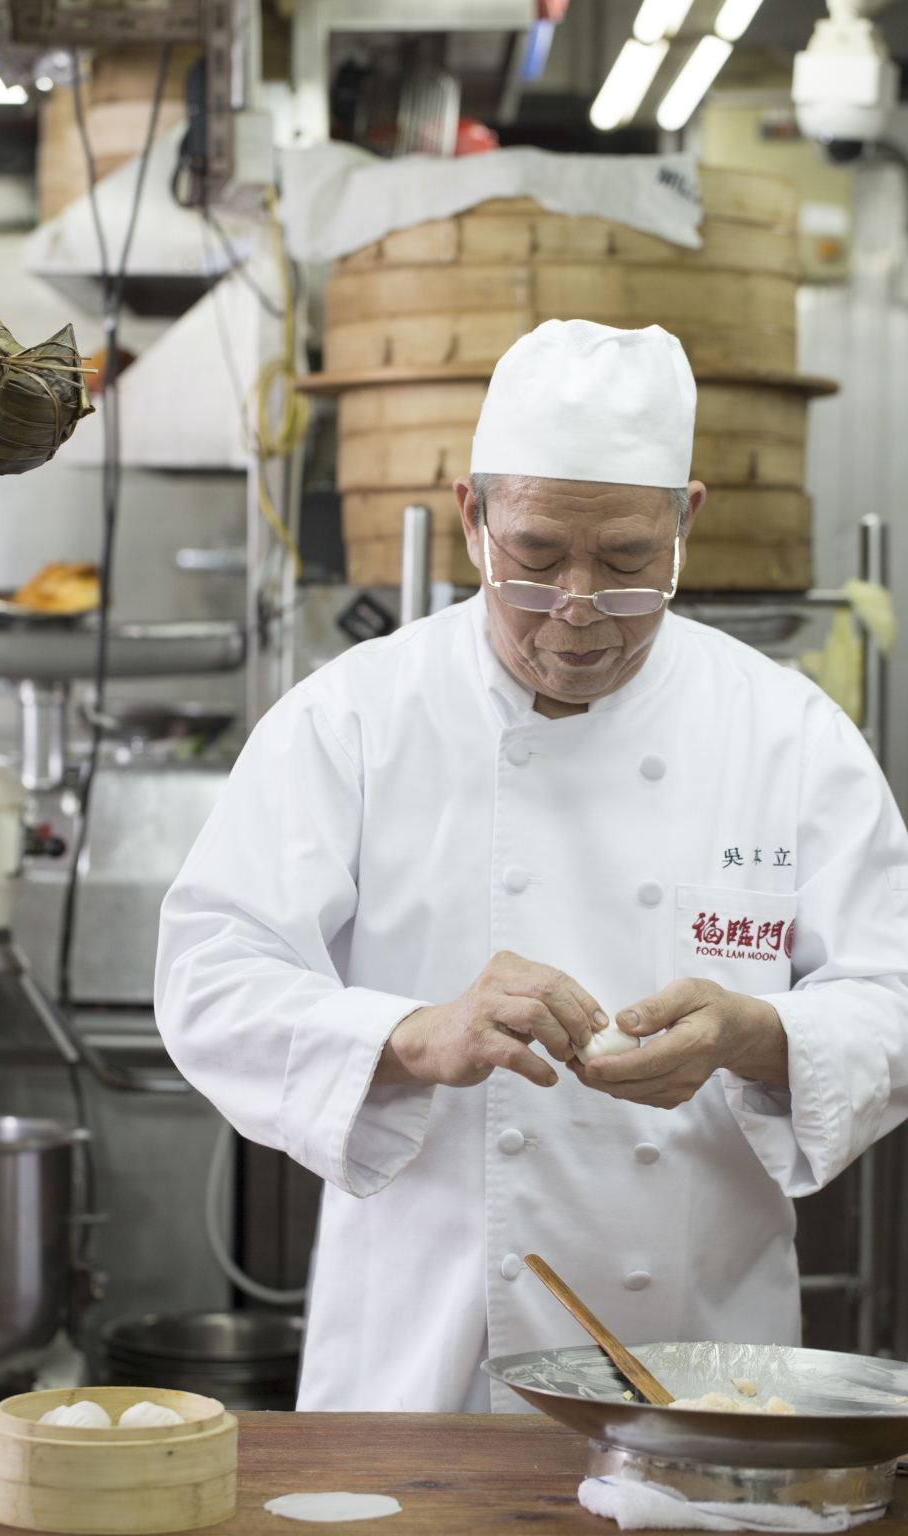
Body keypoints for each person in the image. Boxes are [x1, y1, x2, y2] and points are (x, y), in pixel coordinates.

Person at [155, 319, 908, 1413]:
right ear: (472, 516)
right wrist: (412, 1036)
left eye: (628, 565)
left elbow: (892, 992)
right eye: (538, 556)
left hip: (698, 1375)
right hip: (417, 1367)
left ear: (685, 521)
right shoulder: (357, 717)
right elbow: (208, 977)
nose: (577, 610)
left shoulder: (785, 732)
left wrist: (758, 1035)